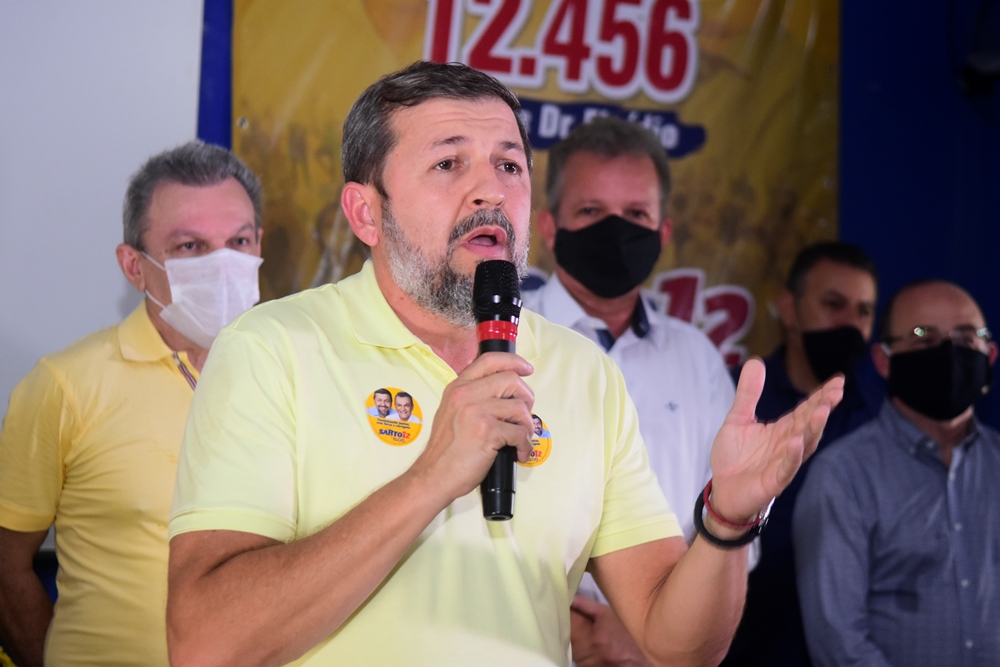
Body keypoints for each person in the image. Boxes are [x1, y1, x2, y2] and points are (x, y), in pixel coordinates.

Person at [165, 60, 843, 667]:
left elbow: (680, 646)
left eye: (509, 166)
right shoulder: (270, 349)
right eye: (449, 164)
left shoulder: (582, 370)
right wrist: (431, 477)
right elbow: (205, 644)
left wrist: (726, 522)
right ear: (365, 212)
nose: (489, 191)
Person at [0, 141, 263, 666]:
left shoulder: (293, 371)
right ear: (133, 266)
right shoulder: (66, 386)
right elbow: (6, 567)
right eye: (190, 246)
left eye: (238, 241)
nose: (221, 265)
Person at [520, 115, 736, 666]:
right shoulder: (501, 342)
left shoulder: (698, 359)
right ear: (549, 228)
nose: (614, 231)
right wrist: (573, 629)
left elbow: (728, 524)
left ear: (663, 233)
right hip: (518, 640)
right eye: (591, 212)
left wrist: (648, 627)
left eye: (636, 215)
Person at [794, 280, 1000, 666]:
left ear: (989, 355)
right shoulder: (843, 475)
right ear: (884, 360)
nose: (948, 352)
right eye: (923, 337)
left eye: (966, 337)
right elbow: (838, 642)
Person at [723, 241, 881, 667]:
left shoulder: (881, 418)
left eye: (864, 311)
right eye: (834, 304)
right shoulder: (734, 401)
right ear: (789, 309)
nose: (850, 323)